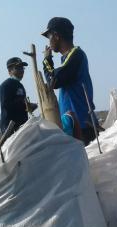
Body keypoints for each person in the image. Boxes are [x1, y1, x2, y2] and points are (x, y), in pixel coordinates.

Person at [41, 17, 98, 145]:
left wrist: (46, 61)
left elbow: (53, 81)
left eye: (49, 37)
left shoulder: (76, 54)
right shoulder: (67, 59)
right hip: (73, 124)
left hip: (80, 125)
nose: (48, 42)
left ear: (56, 36)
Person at [0, 57, 37, 134]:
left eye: (22, 68)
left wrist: (29, 106)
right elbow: (6, 105)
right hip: (10, 126)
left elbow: (20, 103)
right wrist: (24, 105)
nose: (21, 71)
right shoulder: (6, 85)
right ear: (10, 71)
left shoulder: (20, 85)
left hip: (22, 125)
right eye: (18, 68)